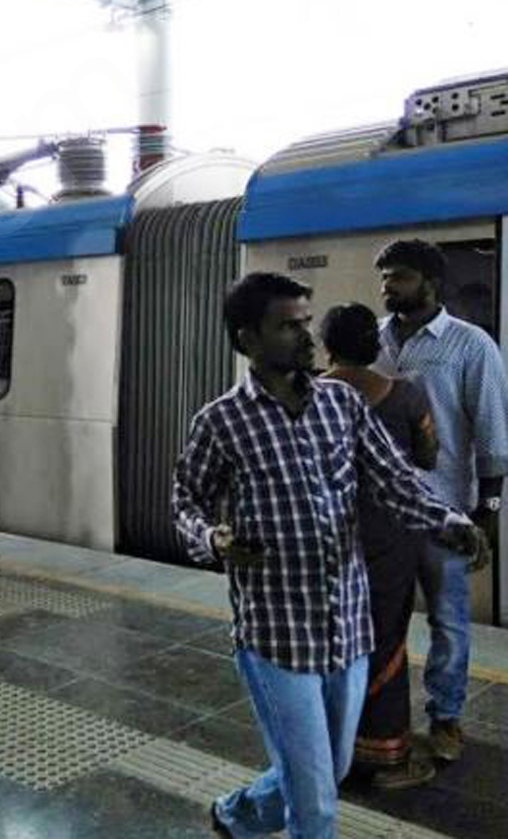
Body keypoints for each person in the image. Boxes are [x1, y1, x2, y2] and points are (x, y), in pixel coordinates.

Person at [172, 273, 486, 838]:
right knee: (316, 806)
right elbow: (185, 502)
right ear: (247, 339)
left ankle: (236, 816)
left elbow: (394, 481)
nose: (305, 336)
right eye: (287, 326)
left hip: (348, 628)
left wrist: (450, 521)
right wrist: (214, 540)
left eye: (305, 322)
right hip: (276, 638)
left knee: (332, 769)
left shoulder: (341, 404)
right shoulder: (220, 422)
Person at [374, 239, 508, 763]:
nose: (388, 286)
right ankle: (382, 717)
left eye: (400, 277)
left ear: (432, 283)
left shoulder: (472, 346)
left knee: (449, 621)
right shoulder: (375, 342)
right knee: (383, 616)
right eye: (384, 276)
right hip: (384, 512)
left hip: (447, 510)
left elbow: (493, 435)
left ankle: (446, 717)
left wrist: (490, 512)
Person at [321, 304, 439, 790]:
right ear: (375, 346)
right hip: (390, 537)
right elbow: (429, 457)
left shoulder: (308, 395)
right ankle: (387, 756)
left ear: (326, 344)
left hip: (326, 537)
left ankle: (329, 750)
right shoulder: (406, 396)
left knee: (328, 638)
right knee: (386, 637)